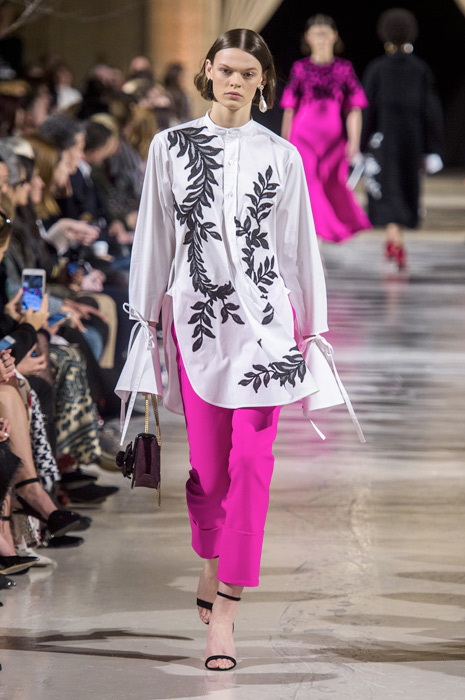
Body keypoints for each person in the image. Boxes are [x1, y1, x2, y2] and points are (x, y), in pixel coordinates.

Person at [116, 28, 361, 671]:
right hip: (197, 323)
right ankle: (211, 555)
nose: (235, 81)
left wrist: (312, 332)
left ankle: (226, 609)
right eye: (226, 69)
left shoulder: (282, 155)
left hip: (267, 328)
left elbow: (299, 247)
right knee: (210, 474)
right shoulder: (170, 147)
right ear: (208, 71)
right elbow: (154, 239)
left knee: (252, 461)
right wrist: (144, 328)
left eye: (248, 73)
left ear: (263, 82)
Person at [361, 8, 443, 270]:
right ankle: (395, 240)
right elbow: (431, 111)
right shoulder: (420, 69)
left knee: (390, 188)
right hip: (411, 140)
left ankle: (393, 239)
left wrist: (361, 145)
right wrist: (432, 148)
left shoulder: (377, 68)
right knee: (403, 187)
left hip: (383, 140)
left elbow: (367, 110)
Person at [281, 14, 371, 243]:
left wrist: (354, 143)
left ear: (334, 37)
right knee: (310, 186)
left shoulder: (344, 68)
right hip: (303, 138)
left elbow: (354, 108)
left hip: (334, 142)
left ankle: (320, 238)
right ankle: (316, 243)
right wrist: (284, 144)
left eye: (325, 33)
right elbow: (290, 108)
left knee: (333, 185)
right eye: (316, 34)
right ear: (307, 38)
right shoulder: (300, 68)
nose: (320, 39)